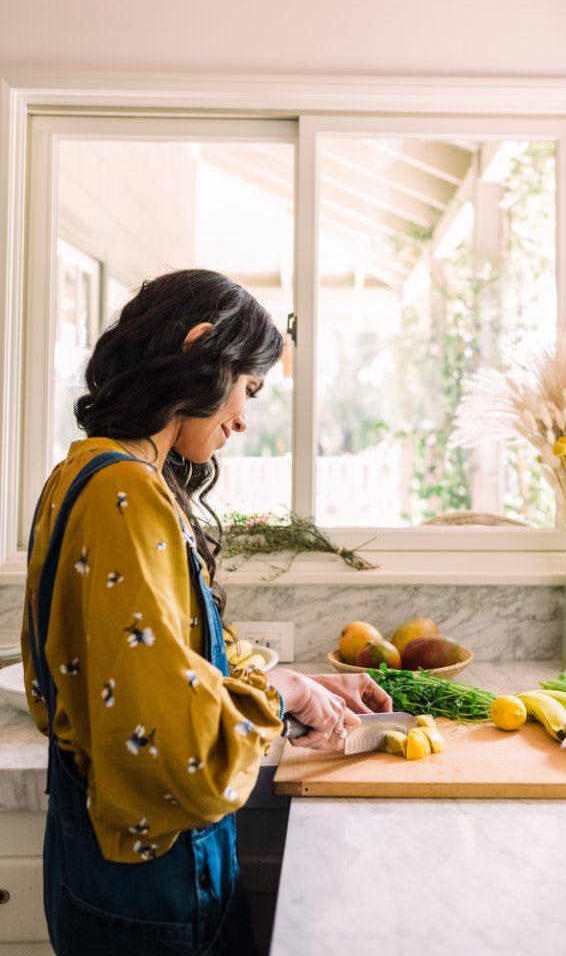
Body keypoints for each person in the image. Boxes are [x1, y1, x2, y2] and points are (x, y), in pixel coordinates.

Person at [21, 268, 392, 956]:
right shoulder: (124, 496)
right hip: (148, 884)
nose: (244, 419)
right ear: (200, 351)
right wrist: (276, 692)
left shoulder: (82, 471)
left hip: (102, 867)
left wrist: (302, 682)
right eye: (247, 389)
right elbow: (180, 749)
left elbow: (159, 661)